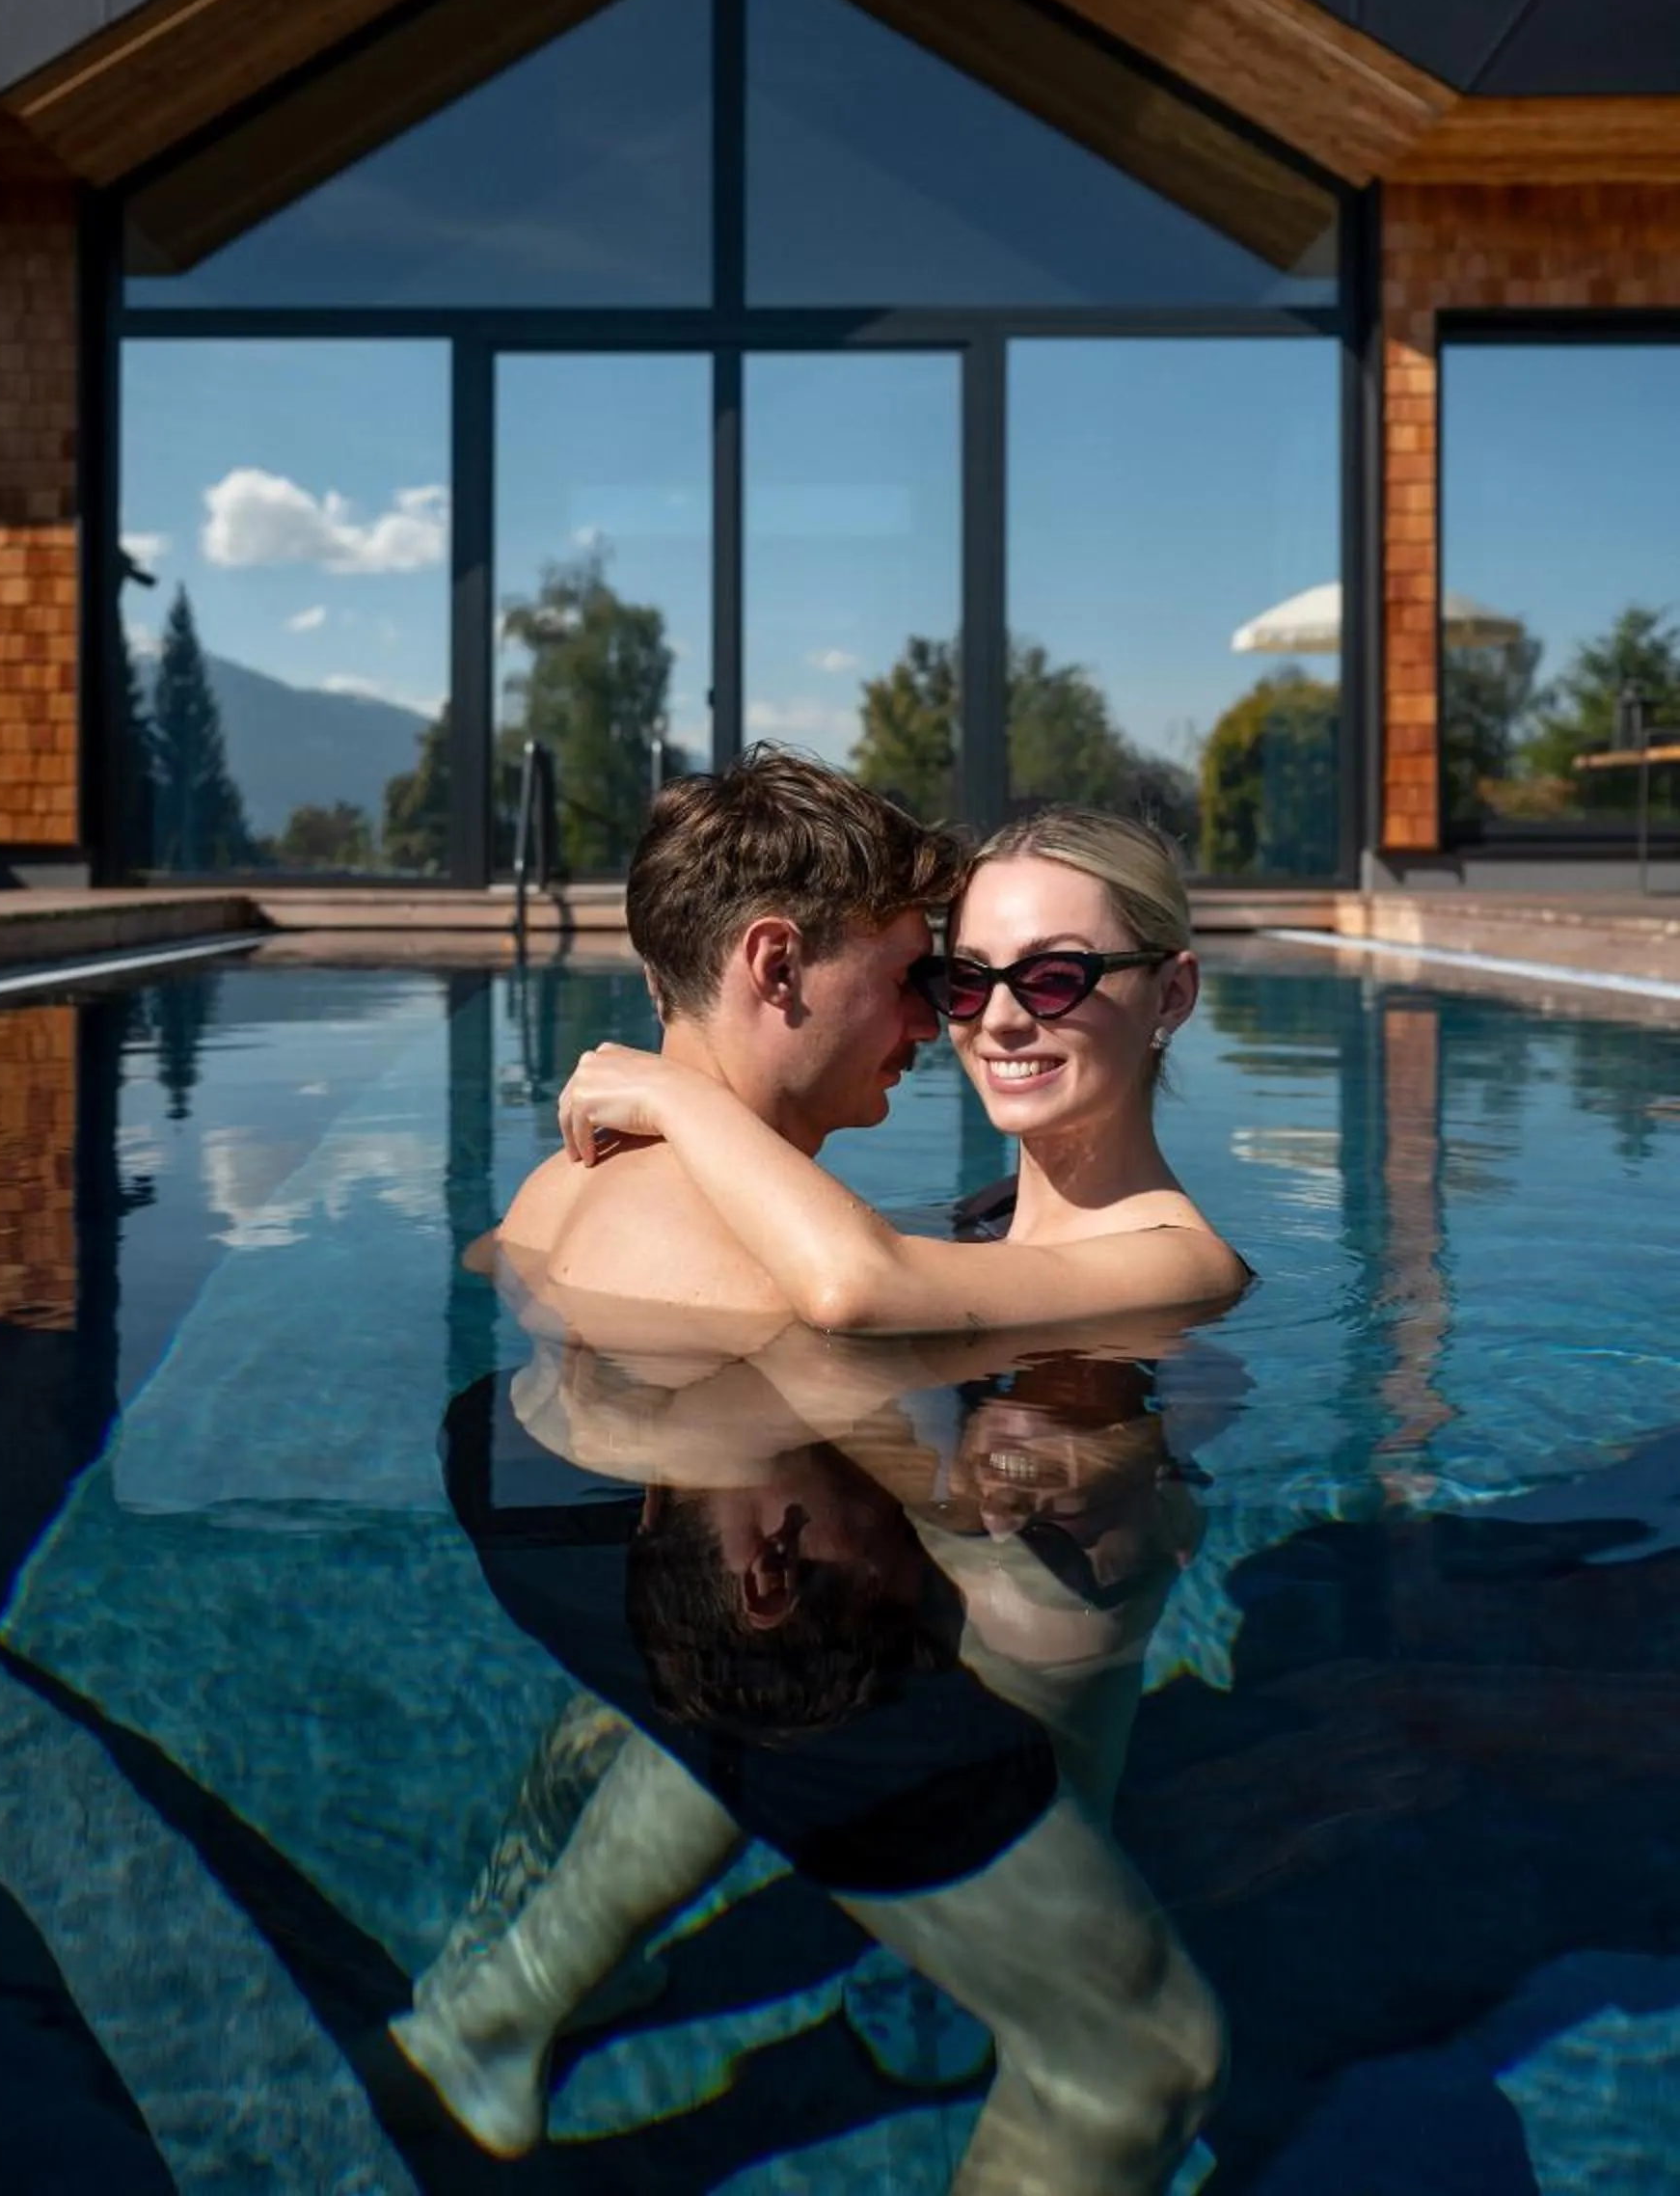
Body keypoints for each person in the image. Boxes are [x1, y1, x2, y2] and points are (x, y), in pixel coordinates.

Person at [376, 1330, 1226, 2193]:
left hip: (529, 1475)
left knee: (790, 1686)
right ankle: (504, 2018)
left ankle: (501, 2016)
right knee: (1143, 2061)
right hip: (639, 1533)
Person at [539, 793, 1250, 1339]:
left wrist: (679, 1097)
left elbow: (860, 1290)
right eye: (964, 982)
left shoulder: (1183, 1262)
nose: (995, 1020)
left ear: (1174, 994)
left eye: (1054, 975)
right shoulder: (973, 1218)